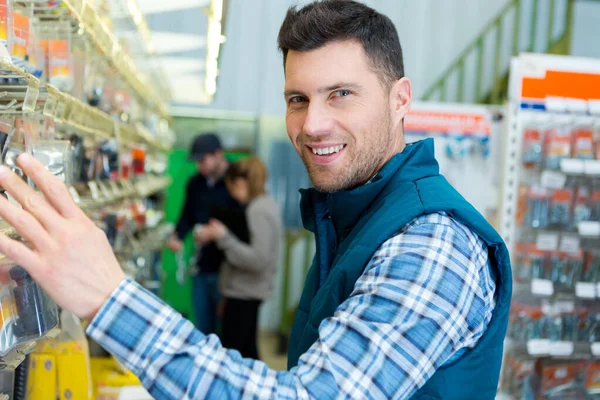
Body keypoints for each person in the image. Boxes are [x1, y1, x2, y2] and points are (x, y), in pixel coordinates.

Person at [0, 1, 511, 399]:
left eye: (341, 94)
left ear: (401, 99)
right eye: (298, 99)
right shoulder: (358, 217)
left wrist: (107, 296)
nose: (312, 124)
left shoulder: (432, 244)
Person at [197, 157, 283, 360]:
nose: (232, 194)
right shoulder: (265, 204)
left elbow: (257, 259)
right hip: (248, 291)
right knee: (247, 352)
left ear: (240, 183)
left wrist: (223, 237)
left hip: (245, 293)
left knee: (233, 357)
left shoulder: (258, 210)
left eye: (231, 188)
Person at [165, 132, 238, 334]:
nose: (199, 166)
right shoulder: (195, 183)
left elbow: (247, 224)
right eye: (196, 161)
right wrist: (177, 236)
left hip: (231, 271)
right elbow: (187, 215)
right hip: (202, 267)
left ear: (218, 154)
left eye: (203, 160)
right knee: (203, 330)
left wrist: (217, 233)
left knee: (229, 333)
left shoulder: (238, 181)